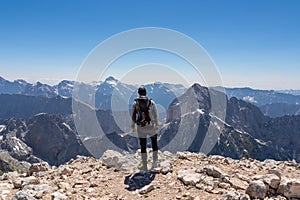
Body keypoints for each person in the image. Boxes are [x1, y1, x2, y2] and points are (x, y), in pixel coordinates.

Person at [131, 87, 159, 171]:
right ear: (145, 93)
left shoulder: (135, 103)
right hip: (151, 126)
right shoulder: (151, 102)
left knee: (143, 146)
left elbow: (133, 116)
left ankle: (144, 165)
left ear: (139, 93)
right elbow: (155, 114)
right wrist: (157, 124)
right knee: (154, 143)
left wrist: (132, 126)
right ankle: (155, 161)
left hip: (141, 127)